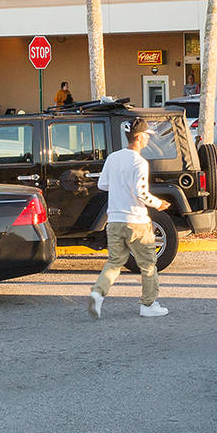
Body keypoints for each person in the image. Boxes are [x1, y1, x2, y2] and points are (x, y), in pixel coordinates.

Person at [87, 119, 171, 319]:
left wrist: (120, 185)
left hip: (114, 219)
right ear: (140, 136)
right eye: (148, 135)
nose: (149, 139)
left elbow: (102, 184)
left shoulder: (113, 158)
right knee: (148, 264)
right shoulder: (140, 162)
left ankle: (97, 294)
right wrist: (158, 203)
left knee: (115, 262)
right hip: (137, 221)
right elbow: (141, 193)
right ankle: (148, 304)